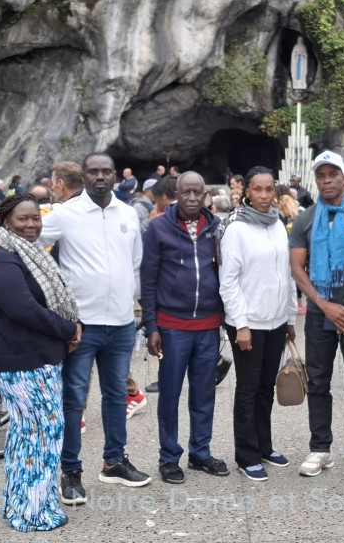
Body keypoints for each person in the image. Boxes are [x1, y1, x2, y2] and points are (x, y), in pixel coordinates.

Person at [39, 152, 150, 505]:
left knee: (117, 396)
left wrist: (134, 306)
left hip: (120, 324)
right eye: (93, 171)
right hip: (80, 326)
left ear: (115, 175)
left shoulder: (128, 213)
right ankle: (70, 471)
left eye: (106, 171)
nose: (100, 177)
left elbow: (135, 266)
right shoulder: (65, 214)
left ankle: (114, 461)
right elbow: (31, 245)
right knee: (73, 400)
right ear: (84, 176)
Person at [0, 195, 81, 531]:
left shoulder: (18, 252)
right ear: (6, 220)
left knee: (27, 434)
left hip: (30, 358)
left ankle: (20, 505)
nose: (31, 225)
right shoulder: (4, 259)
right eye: (23, 219)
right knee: (43, 433)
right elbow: (23, 309)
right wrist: (68, 329)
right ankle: (34, 513)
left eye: (35, 218)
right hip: (22, 361)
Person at [289, 150, 344, 482]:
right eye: (321, 176)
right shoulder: (306, 218)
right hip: (319, 312)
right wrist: (324, 304)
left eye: (333, 174)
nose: (327, 181)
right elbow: (297, 267)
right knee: (318, 381)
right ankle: (320, 447)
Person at [141, 171, 227, 484]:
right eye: (186, 192)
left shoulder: (217, 228)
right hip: (172, 326)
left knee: (204, 393)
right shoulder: (158, 228)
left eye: (197, 192)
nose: (192, 198)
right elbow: (148, 279)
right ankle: (168, 458)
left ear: (206, 194)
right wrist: (151, 325)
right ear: (176, 193)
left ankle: (200, 453)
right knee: (170, 394)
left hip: (208, 325)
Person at [220, 166, 297, 482]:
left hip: (276, 320)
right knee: (249, 388)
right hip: (248, 323)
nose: (265, 196)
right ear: (247, 193)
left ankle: (264, 446)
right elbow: (228, 282)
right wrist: (241, 325)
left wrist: (290, 318)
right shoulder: (236, 229)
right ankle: (247, 455)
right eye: (258, 190)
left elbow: (287, 275)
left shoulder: (278, 224)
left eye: (270, 189)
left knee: (267, 386)